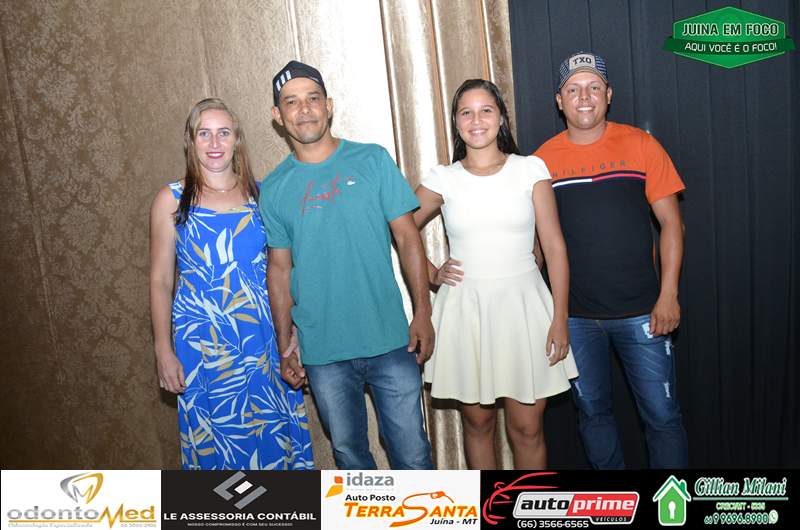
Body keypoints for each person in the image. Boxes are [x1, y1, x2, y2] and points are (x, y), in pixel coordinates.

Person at [260, 61, 434, 470]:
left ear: (329, 106)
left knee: (413, 455)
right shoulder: (275, 188)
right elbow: (279, 270)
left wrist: (423, 312)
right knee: (350, 457)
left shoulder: (372, 160)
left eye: (313, 98)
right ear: (277, 115)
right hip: (323, 350)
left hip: (390, 339)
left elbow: (408, 237)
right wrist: (285, 343)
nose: (304, 109)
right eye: (291, 102)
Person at [534, 51, 689, 469]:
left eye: (593, 87)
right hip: (575, 319)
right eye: (573, 89)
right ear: (559, 100)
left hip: (644, 314)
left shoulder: (641, 145)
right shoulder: (541, 161)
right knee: (592, 415)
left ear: (609, 95)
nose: (584, 97)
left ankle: (669, 501)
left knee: (662, 417)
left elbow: (672, 224)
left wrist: (669, 295)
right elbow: (535, 244)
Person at [414, 79, 578, 470]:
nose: (476, 120)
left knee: (527, 429)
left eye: (486, 110)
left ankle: (528, 504)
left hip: (525, 310)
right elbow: (402, 228)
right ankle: (490, 504)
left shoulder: (530, 169)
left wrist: (560, 317)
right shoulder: (443, 178)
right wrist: (432, 273)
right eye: (466, 112)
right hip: (466, 312)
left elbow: (554, 247)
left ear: (501, 117)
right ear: (456, 122)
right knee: (478, 425)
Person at [149, 97, 313, 470]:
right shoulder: (170, 200)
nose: (214, 143)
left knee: (273, 439)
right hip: (202, 345)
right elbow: (160, 280)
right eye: (204, 133)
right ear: (190, 141)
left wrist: (293, 335)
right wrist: (163, 349)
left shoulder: (262, 195)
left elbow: (285, 270)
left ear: (236, 139)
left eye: (223, 132)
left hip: (263, 338)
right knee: (218, 445)